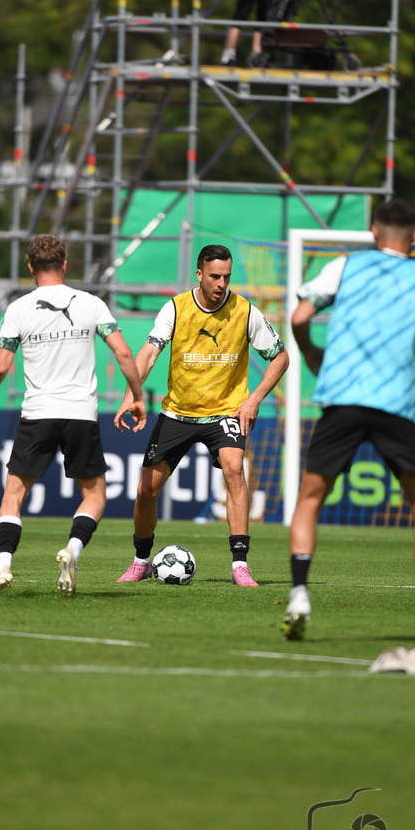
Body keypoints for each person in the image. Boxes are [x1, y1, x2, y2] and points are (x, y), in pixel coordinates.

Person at [283, 199, 415, 642]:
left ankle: (300, 594)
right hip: (397, 405)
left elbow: (300, 315)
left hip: (342, 399)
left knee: (310, 497)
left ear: (373, 231)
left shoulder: (344, 266)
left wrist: (311, 351)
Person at [0, 235, 146, 598]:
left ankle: (3, 567)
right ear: (65, 265)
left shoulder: (19, 308)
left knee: (13, 497)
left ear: (30, 268)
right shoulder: (91, 303)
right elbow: (125, 354)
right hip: (80, 414)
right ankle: (72, 551)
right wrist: (138, 396)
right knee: (94, 497)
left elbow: (1, 367)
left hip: (38, 414)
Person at [114, 243, 289, 586]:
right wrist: (131, 396)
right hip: (178, 412)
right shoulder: (176, 308)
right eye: (214, 276)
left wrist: (253, 400)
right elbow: (149, 353)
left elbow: (280, 358)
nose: (221, 283)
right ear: (199, 274)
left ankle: (240, 565)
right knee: (145, 491)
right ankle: (141, 560)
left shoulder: (245, 311)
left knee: (234, 470)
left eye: (226, 276)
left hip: (225, 411)